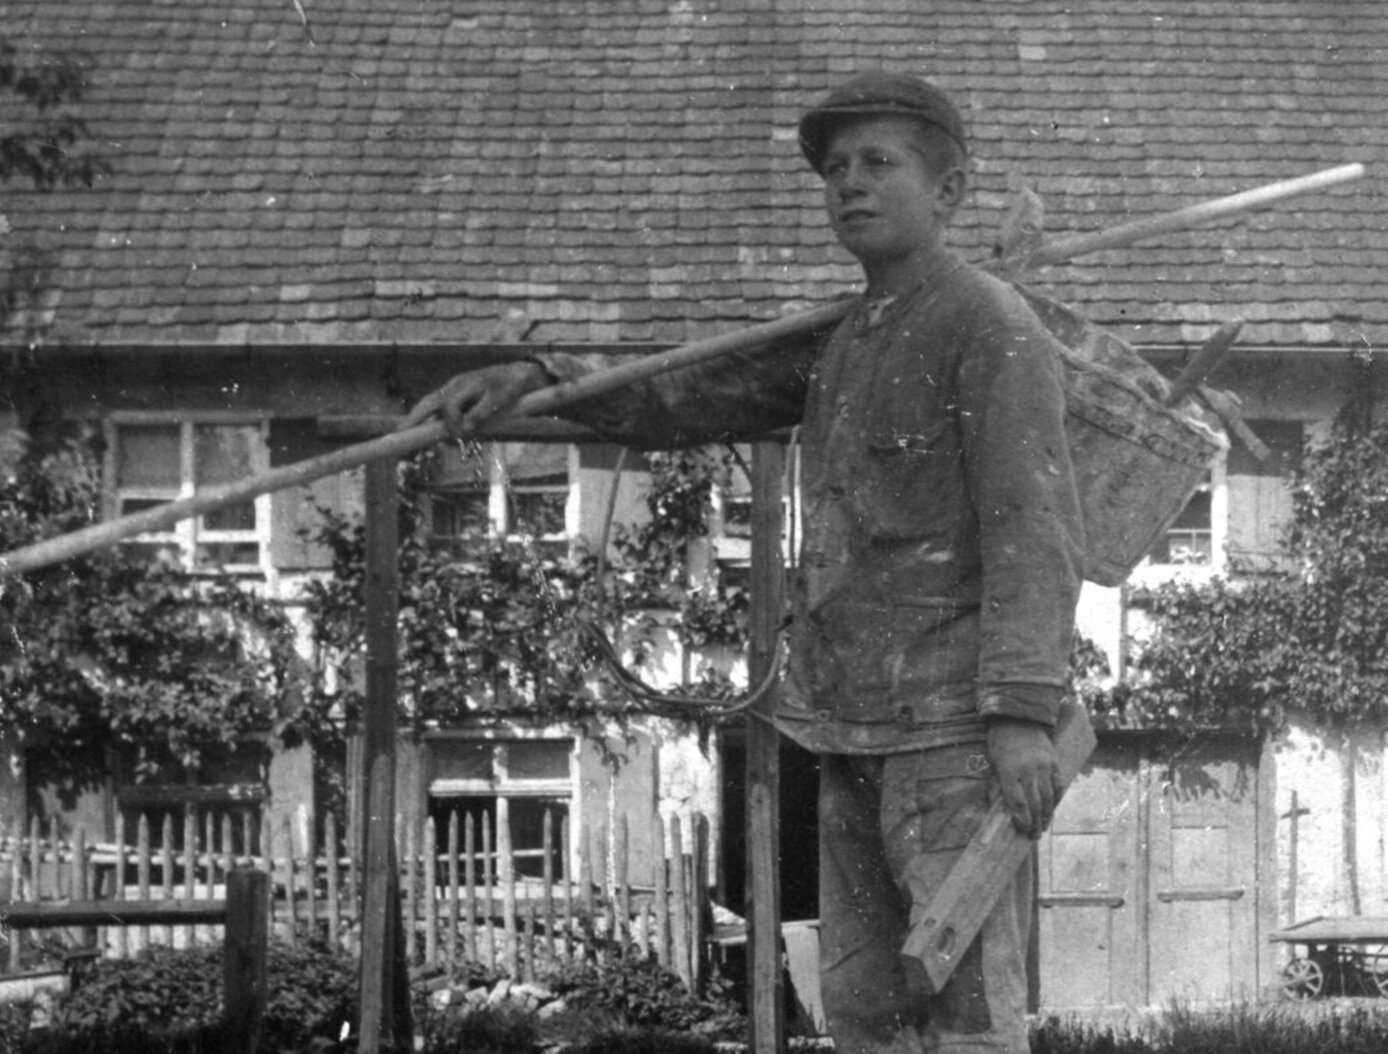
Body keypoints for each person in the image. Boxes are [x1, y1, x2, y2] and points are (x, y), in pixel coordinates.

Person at [404, 72, 1085, 1054]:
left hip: (954, 733)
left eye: (878, 161)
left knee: (966, 1010)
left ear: (949, 191)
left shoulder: (990, 326)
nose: (849, 182)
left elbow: (1034, 522)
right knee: (866, 1011)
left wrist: (1021, 713)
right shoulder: (843, 338)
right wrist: (540, 378)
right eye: (835, 167)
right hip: (848, 722)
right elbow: (686, 390)